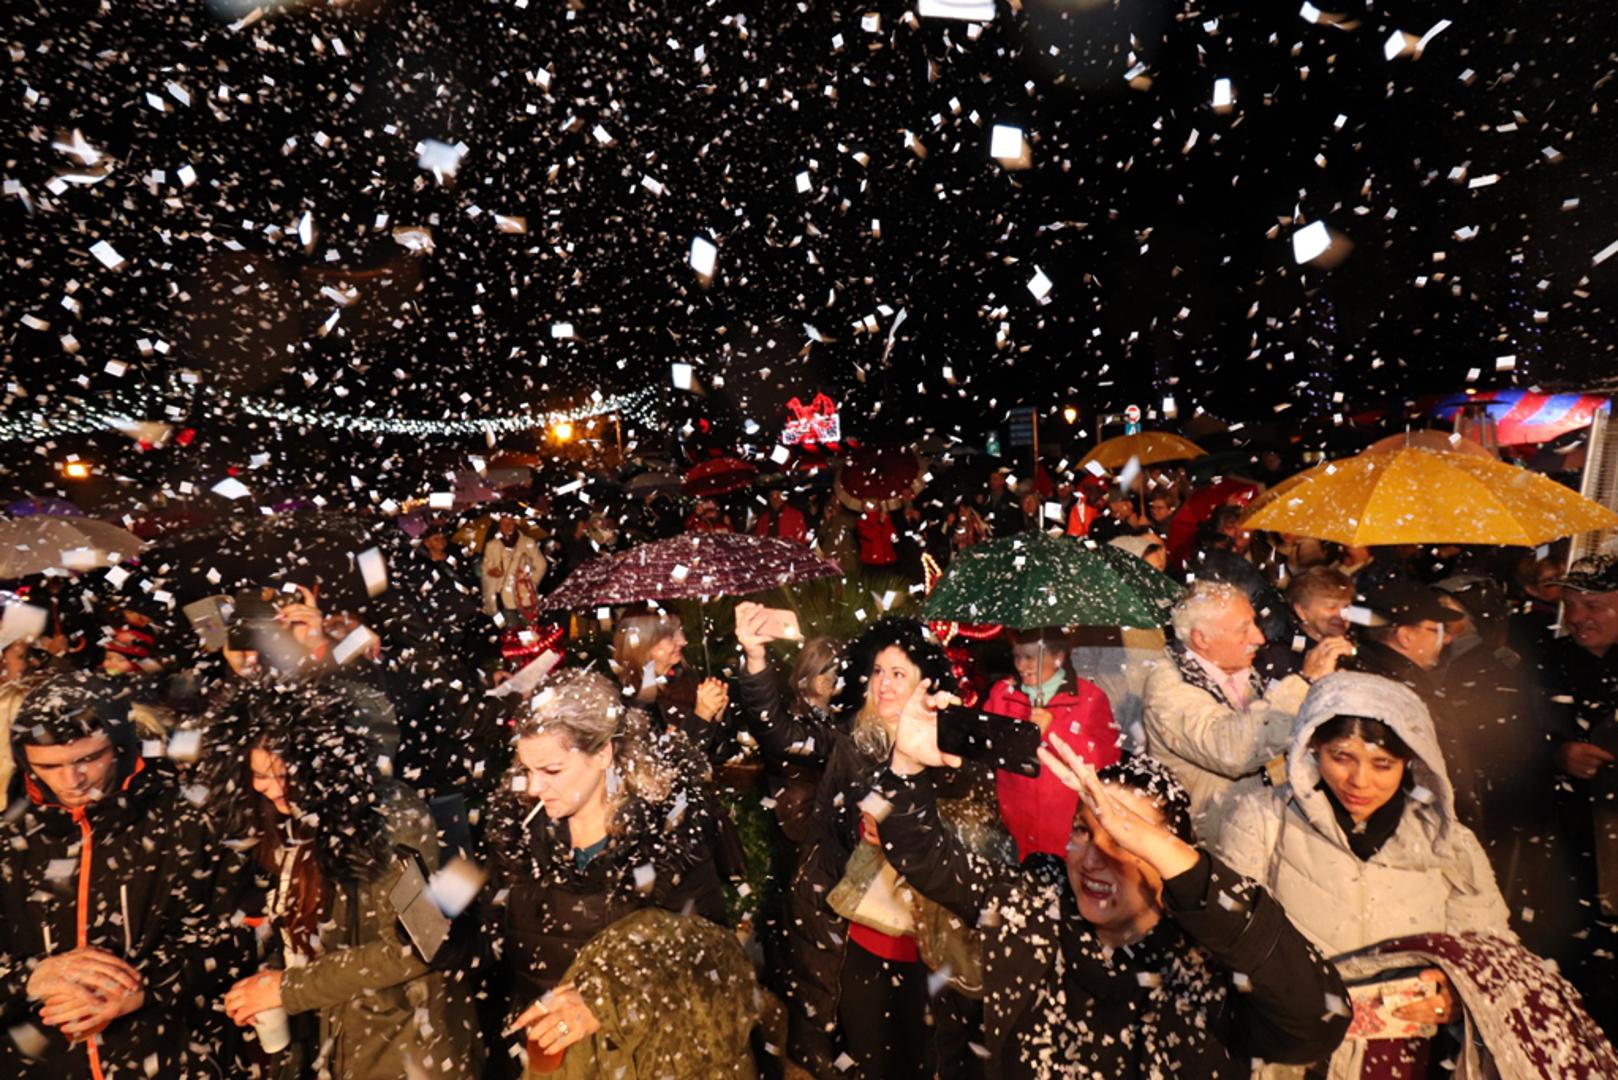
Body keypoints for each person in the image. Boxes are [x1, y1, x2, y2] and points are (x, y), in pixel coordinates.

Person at [877, 686, 1351, 1078]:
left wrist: (1169, 855)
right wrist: (907, 764)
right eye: (1083, 830)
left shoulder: (1209, 965)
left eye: (1126, 839)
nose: (1093, 858)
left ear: (1168, 855)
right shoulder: (1037, 903)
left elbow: (1317, 1019)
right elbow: (923, 855)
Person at [732, 612, 996, 1079]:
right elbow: (781, 735)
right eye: (877, 672)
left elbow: (972, 824)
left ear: (926, 684)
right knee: (861, 1058)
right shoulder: (849, 739)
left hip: (930, 948)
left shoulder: (949, 749)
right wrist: (756, 660)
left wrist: (940, 752)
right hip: (856, 941)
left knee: (926, 1061)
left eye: (898, 674)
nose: (884, 684)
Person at [1215, 673, 1515, 1079]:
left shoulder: (1446, 842)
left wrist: (1460, 995)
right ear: (1313, 746)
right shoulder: (1263, 819)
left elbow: (1490, 949)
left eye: (1382, 764)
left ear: (1410, 759)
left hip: (1407, 1055)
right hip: (1291, 1052)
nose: (1359, 781)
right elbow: (1227, 931)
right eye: (1341, 757)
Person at [220, 686, 482, 1079]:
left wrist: (289, 988)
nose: (272, 787)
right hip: (336, 1041)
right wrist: (271, 979)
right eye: (260, 775)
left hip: (403, 1049)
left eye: (285, 774)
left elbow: (419, 948)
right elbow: (304, 923)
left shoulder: (395, 823)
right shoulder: (299, 818)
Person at [0, 672, 252, 1078]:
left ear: (120, 745)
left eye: (87, 758)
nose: (71, 780)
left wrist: (144, 988)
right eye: (49, 766)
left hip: (176, 1057)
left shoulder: (194, 817)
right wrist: (29, 978)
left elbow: (241, 934)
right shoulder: (11, 839)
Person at [480, 669, 728, 1074]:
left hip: (634, 1058)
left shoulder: (665, 845)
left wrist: (607, 999)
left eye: (552, 771)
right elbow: (490, 941)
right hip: (548, 1060)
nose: (533, 788)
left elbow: (708, 962)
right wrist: (441, 928)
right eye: (526, 770)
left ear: (603, 755)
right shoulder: (517, 836)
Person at [1143, 581, 1352, 838]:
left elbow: (1273, 733)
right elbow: (1233, 750)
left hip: (1254, 824)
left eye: (1255, 624)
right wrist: (1304, 684)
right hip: (1213, 838)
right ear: (1201, 638)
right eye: (1244, 630)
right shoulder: (1168, 688)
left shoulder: (1238, 668)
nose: (1259, 637)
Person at [1537, 554, 1618, 1037]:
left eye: (1594, 605)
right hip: (1561, 848)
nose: (1579, 617)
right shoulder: (1546, 663)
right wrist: (1557, 753)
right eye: (1570, 605)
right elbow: (1508, 740)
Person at [982, 627, 1121, 861]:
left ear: (1058, 657)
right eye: (1017, 656)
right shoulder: (1002, 693)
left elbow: (1106, 761)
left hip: (1065, 824)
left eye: (1030, 657)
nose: (1021, 666)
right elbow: (986, 748)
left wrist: (1053, 731)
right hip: (1015, 822)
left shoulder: (1090, 698)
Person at [610, 611, 730, 762]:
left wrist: (715, 716)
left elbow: (715, 756)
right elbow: (659, 770)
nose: (682, 641)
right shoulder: (626, 699)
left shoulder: (688, 680)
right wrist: (701, 717)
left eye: (680, 630)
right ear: (642, 642)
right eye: (670, 635)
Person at [1257, 566, 1355, 681]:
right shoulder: (1276, 658)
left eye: (1346, 607)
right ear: (1301, 611)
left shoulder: (1358, 650)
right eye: (1331, 607)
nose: (1342, 615)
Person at [481, 515, 547, 621]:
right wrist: (493, 572)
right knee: (510, 631)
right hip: (503, 597)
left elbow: (541, 565)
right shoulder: (492, 545)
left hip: (526, 596)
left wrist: (531, 581)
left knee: (531, 632)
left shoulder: (527, 543)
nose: (507, 527)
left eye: (510, 523)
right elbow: (486, 568)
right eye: (504, 524)